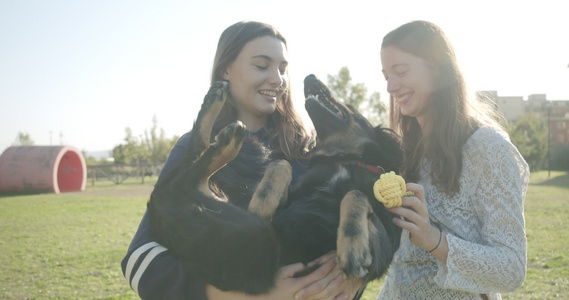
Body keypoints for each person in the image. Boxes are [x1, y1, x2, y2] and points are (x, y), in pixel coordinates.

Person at [122, 21, 363, 300]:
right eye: (262, 66)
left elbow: (353, 239)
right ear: (225, 69)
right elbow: (141, 260)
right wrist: (250, 296)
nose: (277, 79)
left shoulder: (309, 152)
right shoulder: (198, 148)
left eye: (282, 69)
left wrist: (353, 279)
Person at [377, 20, 529, 300]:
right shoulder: (407, 151)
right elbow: (404, 265)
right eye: (386, 75)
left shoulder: (489, 149)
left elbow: (512, 268)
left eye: (401, 71)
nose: (391, 86)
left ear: (438, 70)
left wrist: (433, 240)